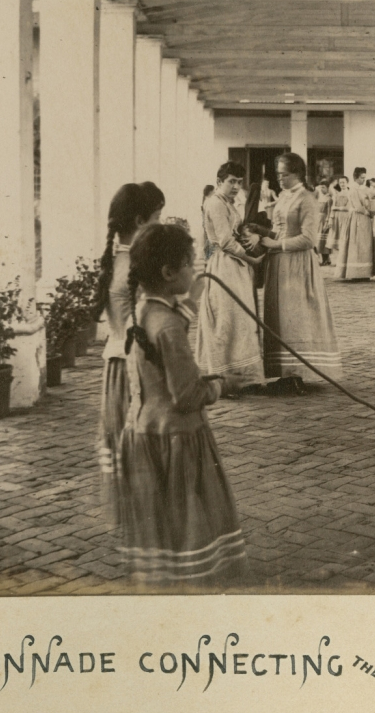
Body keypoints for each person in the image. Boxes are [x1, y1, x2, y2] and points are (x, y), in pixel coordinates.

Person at [117, 222, 247, 586]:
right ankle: (194, 584)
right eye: (190, 263)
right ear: (169, 272)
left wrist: (194, 288)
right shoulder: (168, 328)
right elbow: (187, 395)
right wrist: (221, 384)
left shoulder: (143, 311)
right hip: (177, 437)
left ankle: (170, 583)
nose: (196, 269)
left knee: (163, 523)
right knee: (187, 517)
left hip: (145, 433)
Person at [91, 183, 164, 519]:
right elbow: (154, 319)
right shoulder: (137, 264)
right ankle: (148, 512)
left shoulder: (114, 259)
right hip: (137, 366)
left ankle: (135, 508)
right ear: (139, 220)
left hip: (115, 364)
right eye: (156, 219)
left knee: (124, 435)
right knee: (145, 435)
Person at [260, 152, 342, 394]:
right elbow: (279, 228)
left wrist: (276, 244)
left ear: (297, 173)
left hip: (296, 265)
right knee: (280, 315)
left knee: (294, 315)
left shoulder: (306, 198)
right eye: (278, 174)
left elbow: (308, 239)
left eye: (284, 174)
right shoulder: (285, 196)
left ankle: (296, 373)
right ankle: (283, 372)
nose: (280, 179)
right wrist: (262, 233)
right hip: (279, 264)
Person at [193, 161, 265, 397]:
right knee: (225, 319)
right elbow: (224, 241)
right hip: (224, 265)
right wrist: (252, 260)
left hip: (235, 266)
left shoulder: (228, 204)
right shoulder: (214, 203)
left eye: (238, 182)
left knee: (240, 319)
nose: (235, 186)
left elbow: (235, 232)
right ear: (219, 182)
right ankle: (223, 379)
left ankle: (242, 377)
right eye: (231, 181)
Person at [335, 167, 375, 281]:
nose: (363, 179)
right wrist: (368, 212)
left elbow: (371, 201)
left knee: (365, 244)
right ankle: (355, 272)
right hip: (358, 218)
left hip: (366, 219)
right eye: (361, 177)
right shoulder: (352, 190)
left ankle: (364, 272)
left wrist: (372, 211)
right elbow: (357, 206)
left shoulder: (365, 189)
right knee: (356, 243)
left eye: (364, 177)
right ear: (356, 177)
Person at [326, 175, 350, 255]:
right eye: (340, 183)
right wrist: (330, 218)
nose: (342, 184)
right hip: (336, 218)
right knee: (337, 238)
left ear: (347, 183)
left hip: (346, 217)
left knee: (344, 238)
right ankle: (339, 260)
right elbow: (332, 208)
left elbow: (348, 208)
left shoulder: (350, 193)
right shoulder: (336, 194)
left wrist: (337, 208)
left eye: (344, 182)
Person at [315, 179, 333, 266]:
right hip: (318, 219)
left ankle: (326, 259)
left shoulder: (329, 198)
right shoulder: (319, 197)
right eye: (320, 187)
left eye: (323, 187)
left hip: (324, 219)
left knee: (324, 241)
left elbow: (329, 211)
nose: (322, 189)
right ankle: (325, 259)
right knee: (319, 241)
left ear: (327, 188)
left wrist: (327, 221)